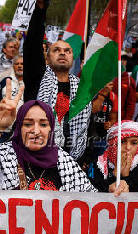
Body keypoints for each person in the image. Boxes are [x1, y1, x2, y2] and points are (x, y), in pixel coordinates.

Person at [24, 0, 91, 161]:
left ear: (73, 58)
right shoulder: (38, 79)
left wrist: (82, 161)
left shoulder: (81, 89)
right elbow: (32, 46)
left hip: (71, 159)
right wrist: (40, 9)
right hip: (37, 155)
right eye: (56, 50)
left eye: (67, 51)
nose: (62, 53)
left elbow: (86, 127)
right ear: (47, 58)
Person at [0, 100, 96, 191]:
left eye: (43, 125)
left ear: (51, 129)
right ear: (19, 127)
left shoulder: (65, 162)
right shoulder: (2, 155)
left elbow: (90, 200)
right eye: (28, 124)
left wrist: (112, 196)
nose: (36, 131)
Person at [87, 121, 138, 195]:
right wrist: (115, 174)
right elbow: (91, 194)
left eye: (134, 143)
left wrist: (126, 176)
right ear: (112, 144)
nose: (128, 147)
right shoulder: (96, 166)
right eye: (122, 142)